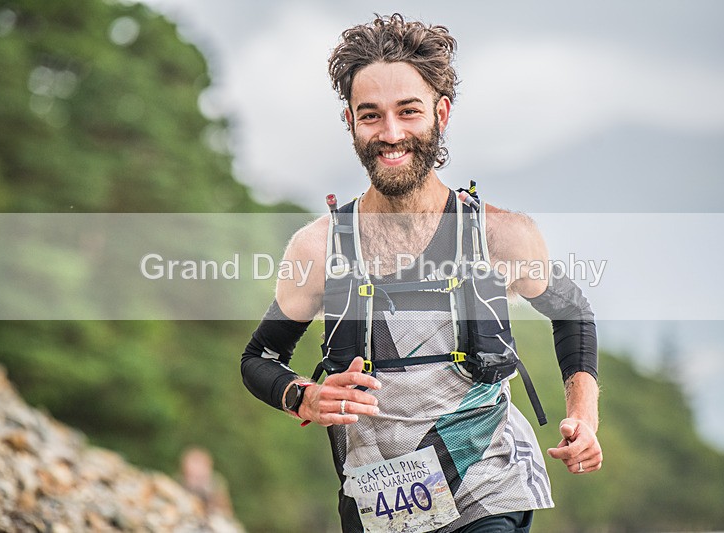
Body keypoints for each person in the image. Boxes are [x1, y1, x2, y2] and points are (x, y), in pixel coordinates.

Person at [242, 13, 601, 533]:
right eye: (371, 116)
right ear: (350, 121)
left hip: (487, 487)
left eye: (408, 111)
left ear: (441, 112)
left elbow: (573, 313)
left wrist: (583, 416)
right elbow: (259, 358)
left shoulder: (501, 236)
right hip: (378, 505)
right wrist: (304, 395)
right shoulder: (319, 248)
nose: (391, 134)